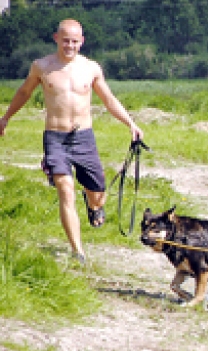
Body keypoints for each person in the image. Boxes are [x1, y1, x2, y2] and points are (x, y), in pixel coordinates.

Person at [0, 19, 143, 264]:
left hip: (83, 137)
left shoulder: (91, 68)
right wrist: (5, 118)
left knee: (98, 194)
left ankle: (93, 204)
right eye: (65, 40)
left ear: (82, 41)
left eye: (74, 41)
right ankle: (78, 251)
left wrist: (131, 123)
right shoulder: (42, 66)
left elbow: (109, 99)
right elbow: (24, 92)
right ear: (56, 38)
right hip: (55, 138)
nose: (70, 45)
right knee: (66, 190)